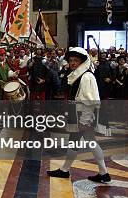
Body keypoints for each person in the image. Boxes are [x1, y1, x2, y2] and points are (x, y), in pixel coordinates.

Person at [47, 47, 110, 183]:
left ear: (82, 61)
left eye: (76, 60)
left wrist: (85, 120)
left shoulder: (86, 76)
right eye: (70, 60)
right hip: (77, 114)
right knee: (84, 142)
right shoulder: (77, 75)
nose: (73, 63)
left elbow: (90, 101)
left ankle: (67, 170)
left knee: (82, 142)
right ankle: (102, 173)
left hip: (83, 116)